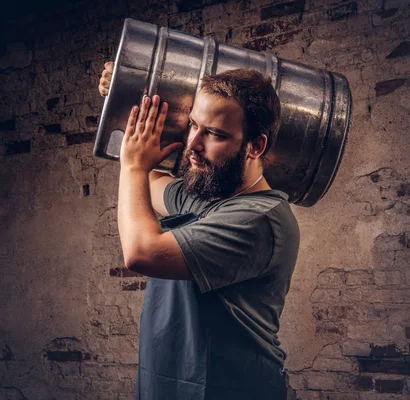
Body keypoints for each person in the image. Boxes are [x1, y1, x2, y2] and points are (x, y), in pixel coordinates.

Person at [99, 61, 299, 400]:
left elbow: (141, 251)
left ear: (256, 146)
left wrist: (132, 165)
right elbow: (146, 180)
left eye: (215, 134)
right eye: (193, 125)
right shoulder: (208, 195)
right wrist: (122, 95)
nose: (193, 143)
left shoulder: (259, 218)